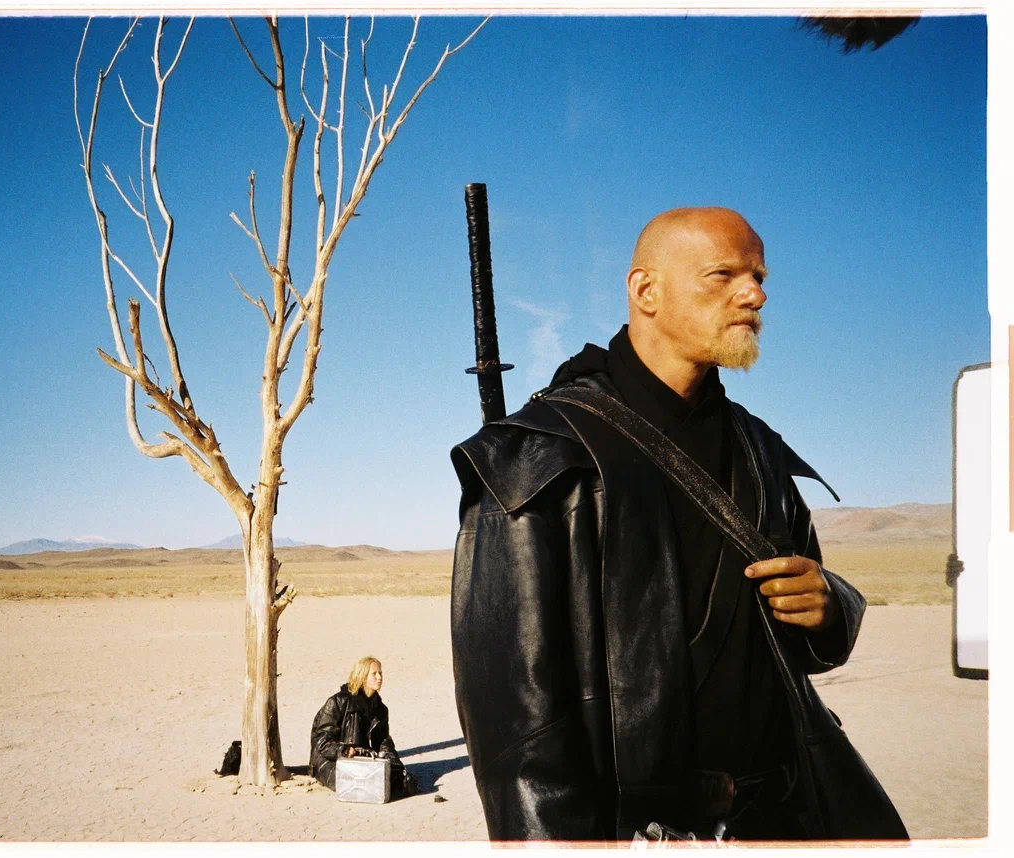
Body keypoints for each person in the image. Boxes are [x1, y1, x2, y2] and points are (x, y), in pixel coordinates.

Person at [449, 207, 908, 842]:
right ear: (647, 291)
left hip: (781, 816)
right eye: (724, 275)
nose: (755, 295)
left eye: (758, 277)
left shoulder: (760, 450)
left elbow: (799, 632)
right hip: (637, 829)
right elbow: (515, 727)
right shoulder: (541, 453)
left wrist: (829, 607)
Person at [309, 656, 417, 799]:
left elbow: (383, 741)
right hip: (329, 760)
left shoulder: (381, 709)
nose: (379, 677)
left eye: (380, 673)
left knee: (400, 782)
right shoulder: (338, 702)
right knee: (356, 784)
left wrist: (395, 765)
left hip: (360, 758)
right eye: (374, 674)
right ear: (362, 676)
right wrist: (344, 750)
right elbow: (321, 741)